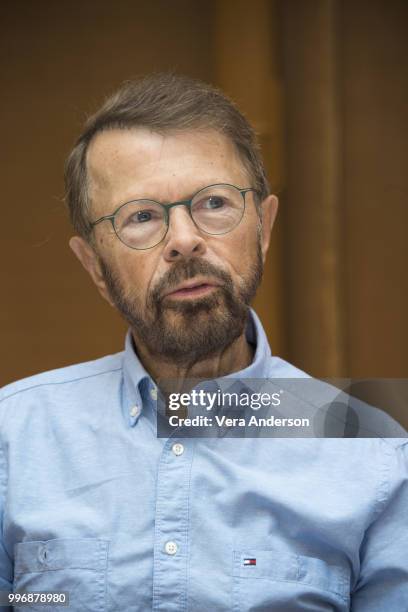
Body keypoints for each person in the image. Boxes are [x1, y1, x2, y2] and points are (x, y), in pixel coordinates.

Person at [0, 73, 407, 612]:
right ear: (95, 267)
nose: (186, 239)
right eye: (141, 216)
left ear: (263, 226)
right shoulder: (13, 438)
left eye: (214, 203)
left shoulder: (373, 451)